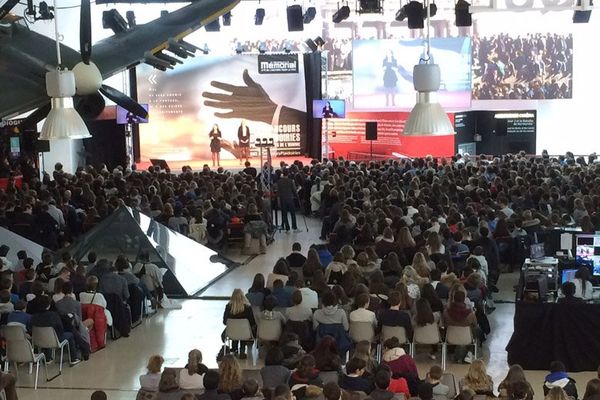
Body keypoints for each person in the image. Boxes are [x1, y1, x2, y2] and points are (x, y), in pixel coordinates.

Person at [30, 295, 81, 365]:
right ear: (48, 305)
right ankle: (73, 358)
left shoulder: (33, 317)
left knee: (45, 335)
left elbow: (29, 328)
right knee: (70, 335)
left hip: (38, 340)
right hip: (54, 339)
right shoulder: (54, 315)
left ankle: (47, 358)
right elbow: (60, 328)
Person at [223, 289, 256, 359]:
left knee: (235, 329)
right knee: (243, 330)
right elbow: (252, 322)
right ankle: (242, 350)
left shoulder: (228, 307)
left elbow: (225, 322)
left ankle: (234, 349)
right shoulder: (248, 308)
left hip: (231, 333)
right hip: (245, 333)